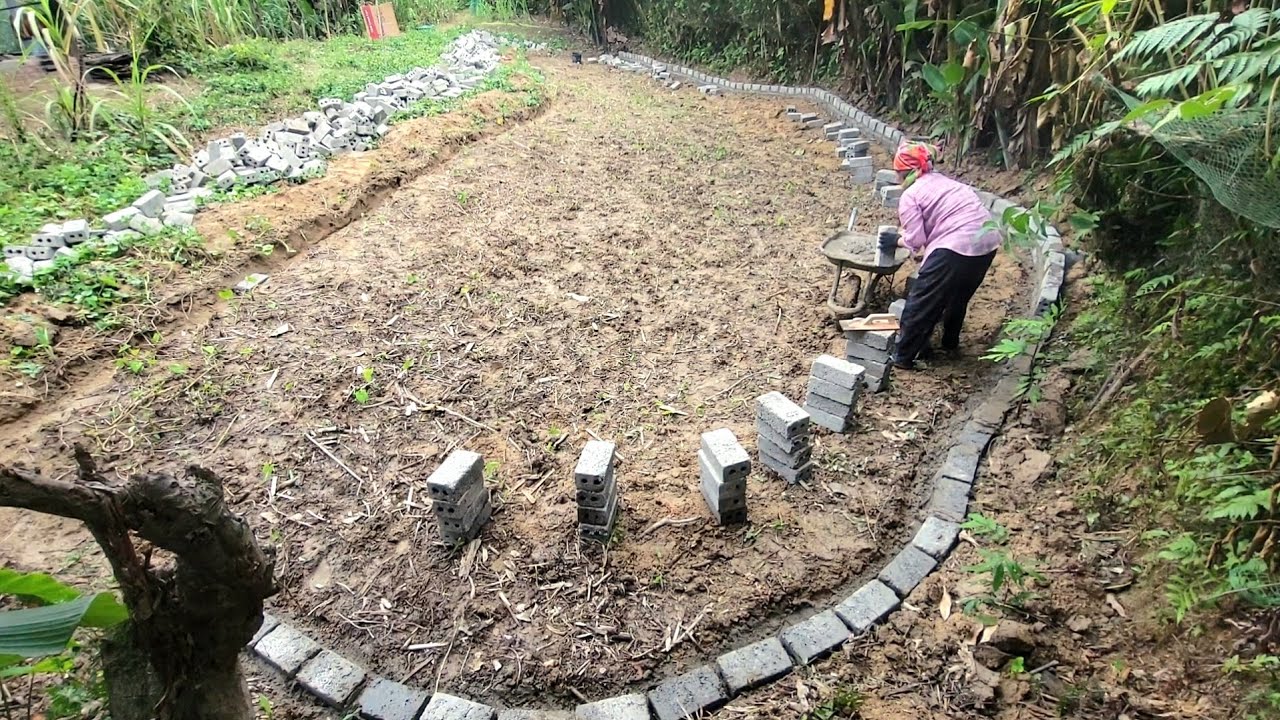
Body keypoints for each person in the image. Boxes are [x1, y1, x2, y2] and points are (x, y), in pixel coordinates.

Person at [890, 141, 1002, 369]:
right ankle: (950, 342)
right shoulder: (948, 183)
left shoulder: (910, 196)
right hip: (987, 242)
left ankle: (902, 356)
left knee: (922, 301)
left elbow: (916, 240)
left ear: (903, 173)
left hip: (955, 245)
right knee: (958, 296)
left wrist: (896, 240)